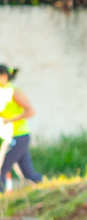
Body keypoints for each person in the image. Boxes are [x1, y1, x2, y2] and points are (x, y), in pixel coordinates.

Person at [0, 64, 41, 193]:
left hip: (19, 137)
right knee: (29, 174)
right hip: (9, 137)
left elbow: (31, 111)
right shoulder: (2, 92)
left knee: (2, 169)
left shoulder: (14, 92)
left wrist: (9, 120)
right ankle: (49, 187)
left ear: (4, 76)